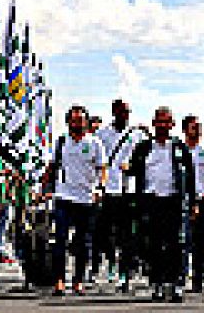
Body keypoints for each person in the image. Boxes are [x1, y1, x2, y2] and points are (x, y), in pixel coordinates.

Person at [127, 107, 195, 302]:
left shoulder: (179, 147)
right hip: (151, 202)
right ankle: (156, 283)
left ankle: (175, 284)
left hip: (174, 201)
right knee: (153, 245)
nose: (163, 126)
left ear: (172, 125)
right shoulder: (143, 148)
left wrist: (192, 203)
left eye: (167, 122)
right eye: (160, 122)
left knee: (177, 245)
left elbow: (189, 177)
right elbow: (133, 172)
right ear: (154, 124)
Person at [49, 105, 107, 296]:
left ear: (86, 122)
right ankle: (59, 280)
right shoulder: (61, 142)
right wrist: (44, 190)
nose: (77, 124)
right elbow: (53, 167)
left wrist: (100, 187)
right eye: (73, 120)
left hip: (86, 199)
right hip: (64, 196)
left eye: (80, 120)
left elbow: (102, 169)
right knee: (60, 240)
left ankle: (78, 281)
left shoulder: (95, 143)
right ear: (68, 122)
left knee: (83, 243)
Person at [93, 99, 146, 291]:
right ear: (114, 112)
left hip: (128, 190)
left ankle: (125, 272)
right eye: (121, 111)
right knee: (105, 234)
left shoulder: (137, 135)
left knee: (127, 235)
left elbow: (143, 160)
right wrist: (98, 186)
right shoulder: (102, 134)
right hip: (108, 190)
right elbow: (97, 162)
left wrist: (132, 167)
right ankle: (109, 262)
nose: (125, 115)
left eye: (127, 112)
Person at [182, 115, 204, 293]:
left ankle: (198, 280)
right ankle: (180, 278)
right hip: (184, 200)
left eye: (199, 126)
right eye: (193, 127)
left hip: (203, 199)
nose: (197, 129)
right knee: (183, 241)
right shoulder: (179, 150)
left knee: (200, 241)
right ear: (185, 130)